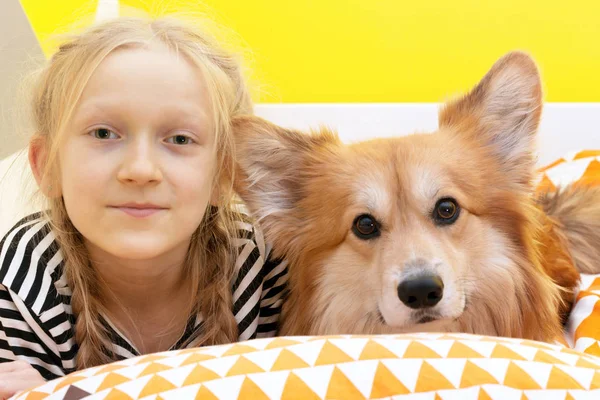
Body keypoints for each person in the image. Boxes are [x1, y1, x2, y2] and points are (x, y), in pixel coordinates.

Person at [0, 15, 287, 397]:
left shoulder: (264, 267)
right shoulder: (20, 280)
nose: (140, 170)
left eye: (180, 139)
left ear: (223, 174)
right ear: (46, 165)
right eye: (104, 133)